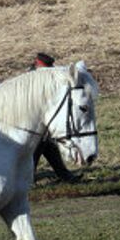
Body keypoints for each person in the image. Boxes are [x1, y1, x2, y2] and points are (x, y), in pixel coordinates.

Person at [29, 52, 79, 183]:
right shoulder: (30, 79)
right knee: (40, 146)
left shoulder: (42, 77)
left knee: (49, 147)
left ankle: (65, 176)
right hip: (33, 122)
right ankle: (29, 178)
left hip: (44, 122)